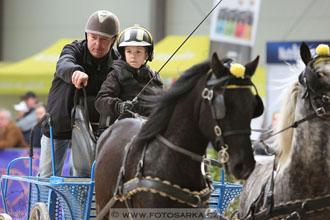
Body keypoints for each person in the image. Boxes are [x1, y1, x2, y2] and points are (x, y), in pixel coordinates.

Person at [39, 10, 120, 178]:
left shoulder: (118, 61)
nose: (98, 44)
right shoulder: (73, 49)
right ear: (86, 35)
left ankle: (76, 206)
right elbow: (63, 64)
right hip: (58, 123)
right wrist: (75, 72)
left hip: (89, 129)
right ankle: (44, 203)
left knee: (82, 178)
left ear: (114, 40)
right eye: (93, 37)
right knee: (47, 177)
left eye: (104, 39)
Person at [95, 25, 163, 125]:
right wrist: (119, 106)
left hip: (148, 127)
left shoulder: (154, 77)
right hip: (117, 129)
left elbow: (163, 102)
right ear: (123, 53)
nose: (133, 56)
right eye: (129, 51)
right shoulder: (115, 74)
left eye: (138, 52)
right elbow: (100, 101)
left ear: (147, 55)